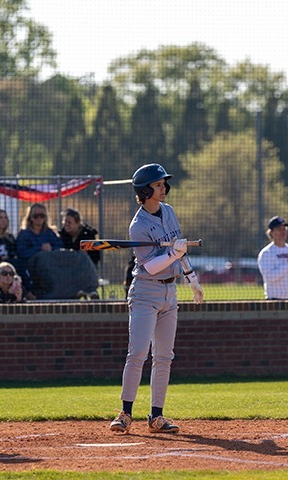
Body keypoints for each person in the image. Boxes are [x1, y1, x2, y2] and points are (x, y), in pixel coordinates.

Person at [110, 163, 204, 435]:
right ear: (145, 190)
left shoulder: (170, 212)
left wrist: (192, 280)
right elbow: (150, 265)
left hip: (169, 291)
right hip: (145, 292)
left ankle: (157, 416)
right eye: (158, 184)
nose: (163, 187)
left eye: (163, 184)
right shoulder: (138, 226)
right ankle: (126, 413)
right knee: (138, 352)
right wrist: (174, 253)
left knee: (164, 356)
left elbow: (180, 251)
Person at [16, 203, 63, 295]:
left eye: (42, 216)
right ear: (30, 218)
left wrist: (51, 248)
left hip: (52, 266)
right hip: (31, 267)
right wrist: (39, 249)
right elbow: (21, 252)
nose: (39, 219)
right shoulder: (24, 234)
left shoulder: (50, 233)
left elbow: (60, 247)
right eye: (35, 216)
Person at [257, 216, 288, 299]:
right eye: (279, 229)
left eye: (284, 229)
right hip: (275, 302)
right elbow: (270, 277)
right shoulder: (266, 253)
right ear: (271, 232)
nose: (283, 232)